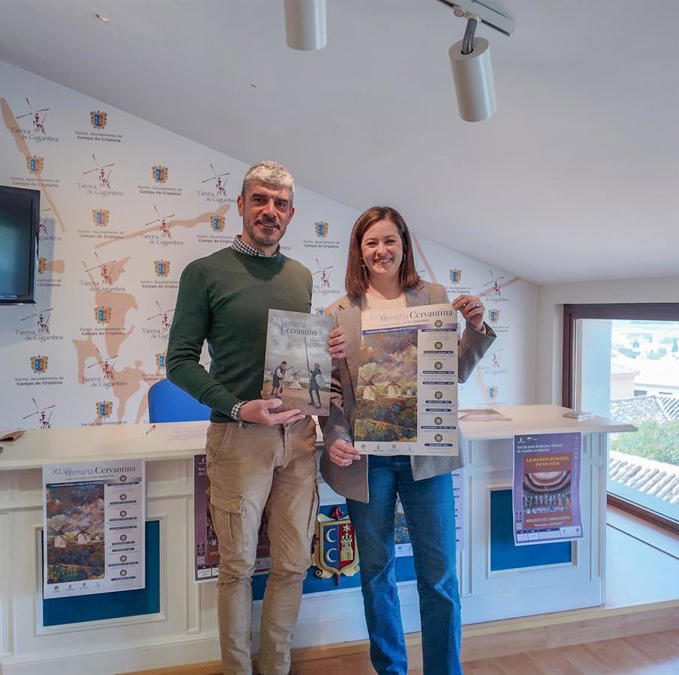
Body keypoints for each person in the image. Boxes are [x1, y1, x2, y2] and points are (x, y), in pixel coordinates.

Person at [322, 206, 495, 675]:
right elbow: (331, 394)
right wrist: (333, 435)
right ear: (359, 251)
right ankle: (390, 670)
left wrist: (475, 328)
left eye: (389, 240)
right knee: (376, 575)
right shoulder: (336, 314)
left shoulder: (434, 297)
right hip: (367, 462)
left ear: (403, 245)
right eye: (371, 242)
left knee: (439, 576)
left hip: (427, 458)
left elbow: (454, 372)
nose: (381, 251)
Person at [166, 161, 319, 675]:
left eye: (280, 204)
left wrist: (327, 354)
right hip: (238, 437)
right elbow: (179, 361)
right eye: (260, 199)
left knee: (293, 563)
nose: (270, 211)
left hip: (299, 439)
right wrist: (237, 406)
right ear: (240, 205)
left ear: (291, 213)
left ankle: (276, 667)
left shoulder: (300, 277)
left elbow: (299, 360)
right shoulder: (204, 272)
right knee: (236, 568)